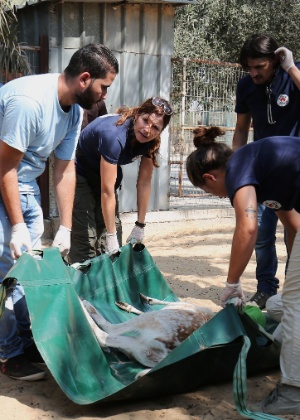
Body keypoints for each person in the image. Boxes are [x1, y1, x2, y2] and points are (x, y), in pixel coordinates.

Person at [0, 44, 119, 381]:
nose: (104, 95)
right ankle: (8, 353)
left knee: (28, 272)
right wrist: (18, 226)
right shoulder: (30, 102)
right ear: (85, 78)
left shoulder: (72, 112)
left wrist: (65, 226)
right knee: (4, 278)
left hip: (24, 189)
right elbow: (5, 168)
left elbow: (64, 168)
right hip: (5, 181)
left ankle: (25, 343)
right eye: (103, 86)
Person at [186, 126, 300, 415]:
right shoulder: (262, 170)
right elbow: (295, 226)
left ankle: (293, 391)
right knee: (279, 303)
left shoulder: (239, 167)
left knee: (295, 304)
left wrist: (232, 281)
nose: (218, 195)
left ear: (210, 178)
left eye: (209, 192)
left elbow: (248, 228)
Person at [232, 33, 300, 309]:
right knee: (261, 233)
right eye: (250, 67)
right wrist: (238, 167)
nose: (254, 73)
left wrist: (291, 68)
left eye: (260, 66)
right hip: (259, 172)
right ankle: (265, 289)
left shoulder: (291, 76)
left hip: (293, 171)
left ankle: (292, 288)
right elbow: (240, 130)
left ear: (274, 60)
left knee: (293, 231)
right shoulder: (246, 86)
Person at [68, 97, 173, 263]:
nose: (147, 130)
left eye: (155, 128)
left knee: (112, 238)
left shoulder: (151, 142)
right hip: (81, 173)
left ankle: (107, 286)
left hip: (107, 172)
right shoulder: (114, 135)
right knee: (86, 239)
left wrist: (140, 225)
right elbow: (106, 190)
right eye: (145, 121)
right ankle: (81, 285)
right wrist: (110, 237)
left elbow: (144, 183)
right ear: (137, 115)